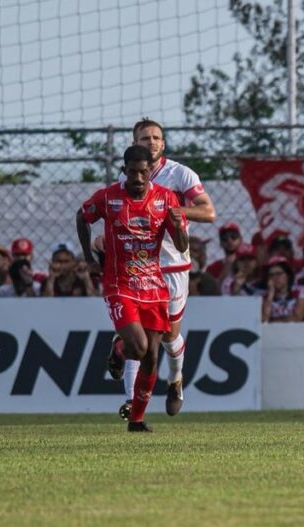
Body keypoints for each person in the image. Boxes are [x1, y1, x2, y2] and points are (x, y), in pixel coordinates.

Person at [106, 118, 217, 421]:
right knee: (137, 338)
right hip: (136, 266)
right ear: (134, 144)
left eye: (156, 137)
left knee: (168, 335)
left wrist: (174, 210)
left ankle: (176, 381)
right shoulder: (127, 177)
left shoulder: (179, 174)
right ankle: (131, 402)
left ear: (163, 144)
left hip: (172, 265)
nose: (151, 142)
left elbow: (208, 211)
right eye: (144, 138)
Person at [77, 144, 188, 432]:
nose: (138, 178)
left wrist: (178, 227)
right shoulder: (109, 197)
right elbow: (82, 216)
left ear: (151, 171)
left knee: (152, 355)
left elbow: (182, 246)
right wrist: (89, 259)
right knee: (137, 348)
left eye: (143, 171)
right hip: (120, 283)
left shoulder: (167, 199)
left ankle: (136, 420)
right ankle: (119, 348)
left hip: (153, 285)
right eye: (132, 172)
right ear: (124, 171)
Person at [261, 256, 304, 322]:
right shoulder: (265, 297)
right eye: (271, 275)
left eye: (278, 274)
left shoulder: (300, 290)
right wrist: (270, 295)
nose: (275, 278)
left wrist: (272, 321)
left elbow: (297, 318)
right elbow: (264, 321)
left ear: (288, 275)